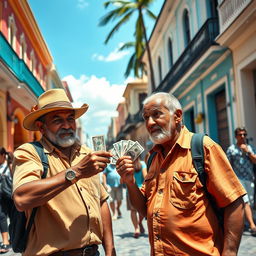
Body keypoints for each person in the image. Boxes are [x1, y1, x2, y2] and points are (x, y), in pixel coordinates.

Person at [116, 92, 246, 256]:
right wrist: (130, 182)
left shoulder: (203, 148)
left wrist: (230, 252)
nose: (150, 122)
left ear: (177, 116)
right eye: (146, 117)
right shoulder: (152, 157)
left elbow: (233, 202)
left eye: (156, 114)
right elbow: (145, 209)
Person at [12, 89, 116, 256]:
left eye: (70, 119)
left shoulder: (87, 153)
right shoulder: (29, 152)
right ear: (41, 127)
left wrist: (110, 251)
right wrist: (77, 172)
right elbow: (22, 198)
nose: (67, 126)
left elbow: (101, 202)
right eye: (57, 120)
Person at [226, 127, 256, 236]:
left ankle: (244, 222)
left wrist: (248, 152)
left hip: (249, 178)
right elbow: (227, 165)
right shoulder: (231, 149)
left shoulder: (250, 148)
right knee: (246, 200)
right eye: (240, 134)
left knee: (250, 202)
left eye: (244, 134)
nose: (242, 136)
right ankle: (252, 226)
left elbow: (255, 161)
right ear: (236, 136)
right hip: (238, 179)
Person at [126, 158, 147, 238]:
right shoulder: (141, 163)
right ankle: (138, 225)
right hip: (139, 190)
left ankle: (137, 226)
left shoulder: (129, 164)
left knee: (134, 210)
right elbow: (145, 177)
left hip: (132, 190)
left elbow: (122, 180)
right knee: (139, 209)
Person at [0, 147, 13, 253]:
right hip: (1, 197)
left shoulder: (11, 165)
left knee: (14, 218)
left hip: (12, 197)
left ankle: (14, 238)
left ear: (3, 155)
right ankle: (5, 242)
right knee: (2, 217)